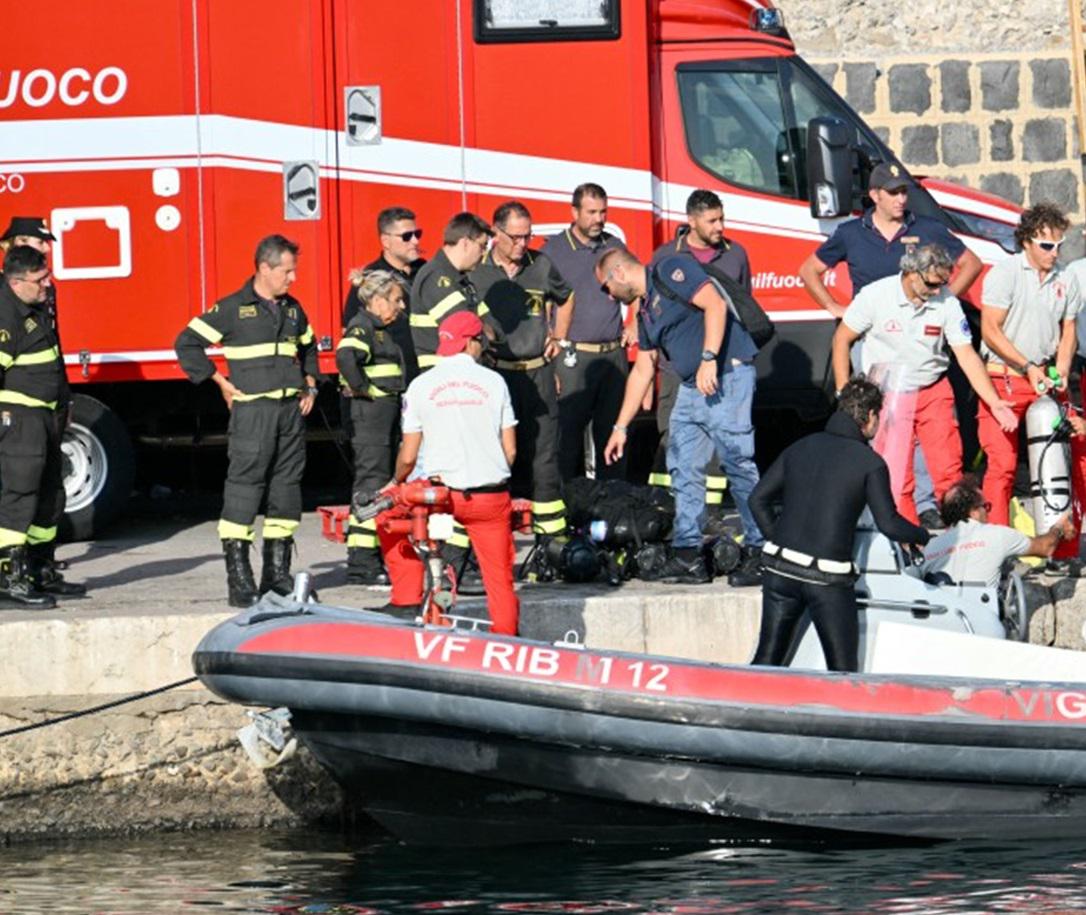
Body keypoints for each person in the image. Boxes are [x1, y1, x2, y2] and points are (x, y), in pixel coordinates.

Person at [599, 247, 764, 586]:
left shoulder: (670, 268)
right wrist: (620, 427)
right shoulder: (644, 312)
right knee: (683, 464)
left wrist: (708, 358)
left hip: (725, 376)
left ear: (618, 273)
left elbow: (714, 304)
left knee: (737, 462)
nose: (608, 295)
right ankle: (688, 554)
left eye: (605, 286)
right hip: (692, 388)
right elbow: (643, 370)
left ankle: (760, 551)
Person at [175, 235, 320, 608]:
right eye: (287, 271)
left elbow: (308, 345)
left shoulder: (292, 309)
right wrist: (218, 381)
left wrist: (311, 383)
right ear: (265, 268)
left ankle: (276, 575)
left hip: (290, 413)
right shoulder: (232, 309)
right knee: (244, 489)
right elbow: (187, 341)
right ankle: (239, 578)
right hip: (253, 412)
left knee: (286, 490)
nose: (293, 278)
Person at [749, 376, 930, 673]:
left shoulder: (800, 446)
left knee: (768, 660)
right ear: (870, 416)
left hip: (780, 570)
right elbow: (889, 524)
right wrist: (922, 534)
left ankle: (744, 711)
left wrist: (778, 539)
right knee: (842, 671)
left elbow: (758, 499)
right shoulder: (869, 463)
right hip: (826, 581)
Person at [831, 244, 1018, 524]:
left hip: (932, 389)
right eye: (932, 283)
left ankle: (963, 540)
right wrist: (845, 394)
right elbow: (842, 339)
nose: (937, 290)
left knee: (949, 470)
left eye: (943, 283)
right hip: (888, 393)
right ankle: (908, 546)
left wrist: (994, 401)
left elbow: (966, 354)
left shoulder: (946, 301)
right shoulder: (875, 295)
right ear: (911, 273)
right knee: (895, 473)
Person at [380, 310, 520, 635]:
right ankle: (507, 643)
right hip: (490, 495)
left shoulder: (421, 385)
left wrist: (396, 484)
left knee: (385, 515)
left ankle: (406, 602)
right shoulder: (495, 382)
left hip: (439, 496)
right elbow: (510, 450)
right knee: (499, 580)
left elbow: (409, 456)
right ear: (473, 343)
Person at [978, 202, 1084, 569]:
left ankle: (1063, 550)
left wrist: (1061, 371)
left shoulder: (1065, 279)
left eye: (1059, 246)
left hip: (1044, 380)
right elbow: (990, 330)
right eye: (1046, 246)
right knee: (1002, 466)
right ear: (1026, 242)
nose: (1054, 254)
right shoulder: (1005, 274)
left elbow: (1068, 331)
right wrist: (1025, 366)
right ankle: (997, 553)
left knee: (1061, 464)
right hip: (1003, 378)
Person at [469, 201, 573, 544]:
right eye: (514, 237)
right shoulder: (476, 271)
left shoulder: (540, 264)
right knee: (496, 458)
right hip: (495, 374)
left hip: (538, 374)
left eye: (527, 236)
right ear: (495, 233)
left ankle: (550, 544)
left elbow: (566, 297)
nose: (521, 244)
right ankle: (497, 538)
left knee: (544, 456)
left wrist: (558, 336)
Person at [649, 189, 751, 523]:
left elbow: (743, 307)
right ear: (691, 221)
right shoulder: (666, 256)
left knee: (722, 440)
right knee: (675, 440)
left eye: (722, 218)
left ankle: (711, 513)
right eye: (712, 220)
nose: (720, 226)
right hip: (678, 368)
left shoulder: (736, 255)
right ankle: (669, 510)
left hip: (722, 369)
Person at [0, 217, 82, 596]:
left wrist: (64, 402)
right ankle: (9, 577)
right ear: (18, 282)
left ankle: (39, 569)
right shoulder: (6, 312)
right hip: (20, 418)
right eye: (40, 278)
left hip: (48, 411)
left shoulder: (35, 305)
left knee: (51, 494)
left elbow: (54, 358)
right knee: (20, 495)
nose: (48, 284)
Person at [798, 163, 982, 313]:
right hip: (870, 333)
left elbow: (972, 263)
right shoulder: (850, 232)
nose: (901, 199)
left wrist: (943, 303)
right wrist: (833, 307)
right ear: (875, 195)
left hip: (916, 334)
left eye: (904, 192)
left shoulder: (928, 228)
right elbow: (808, 270)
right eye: (893, 193)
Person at [541, 183, 632, 481]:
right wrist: (549, 354)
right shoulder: (553, 250)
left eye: (603, 212)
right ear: (574, 212)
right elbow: (541, 304)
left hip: (612, 357)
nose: (598, 219)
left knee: (613, 438)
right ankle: (567, 504)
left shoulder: (614, 244)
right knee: (566, 440)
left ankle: (613, 505)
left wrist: (634, 324)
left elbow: (640, 287)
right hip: (572, 358)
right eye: (591, 212)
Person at [337, 270, 408, 585]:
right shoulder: (363, 325)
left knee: (382, 483)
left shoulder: (380, 328)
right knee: (371, 482)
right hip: (371, 416)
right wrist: (363, 388)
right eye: (395, 299)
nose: (401, 305)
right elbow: (345, 356)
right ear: (377, 301)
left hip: (384, 414)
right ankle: (362, 562)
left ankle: (373, 555)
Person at [921, 476, 1074, 588]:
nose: (988, 513)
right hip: (981, 621)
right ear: (973, 512)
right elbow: (1046, 547)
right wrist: (1059, 526)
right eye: (985, 507)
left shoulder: (931, 548)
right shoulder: (996, 535)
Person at [343, 206, 423, 381]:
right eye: (407, 236)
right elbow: (351, 333)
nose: (415, 241)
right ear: (386, 241)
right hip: (392, 383)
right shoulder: (370, 280)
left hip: (428, 377)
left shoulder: (427, 272)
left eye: (418, 234)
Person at [409, 211, 495, 373]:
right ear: (465, 243)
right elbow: (464, 329)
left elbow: (494, 329)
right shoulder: (436, 278)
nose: (484, 253)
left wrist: (486, 334)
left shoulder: (461, 280)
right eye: (482, 246)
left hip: (459, 372)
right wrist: (484, 335)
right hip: (442, 375)